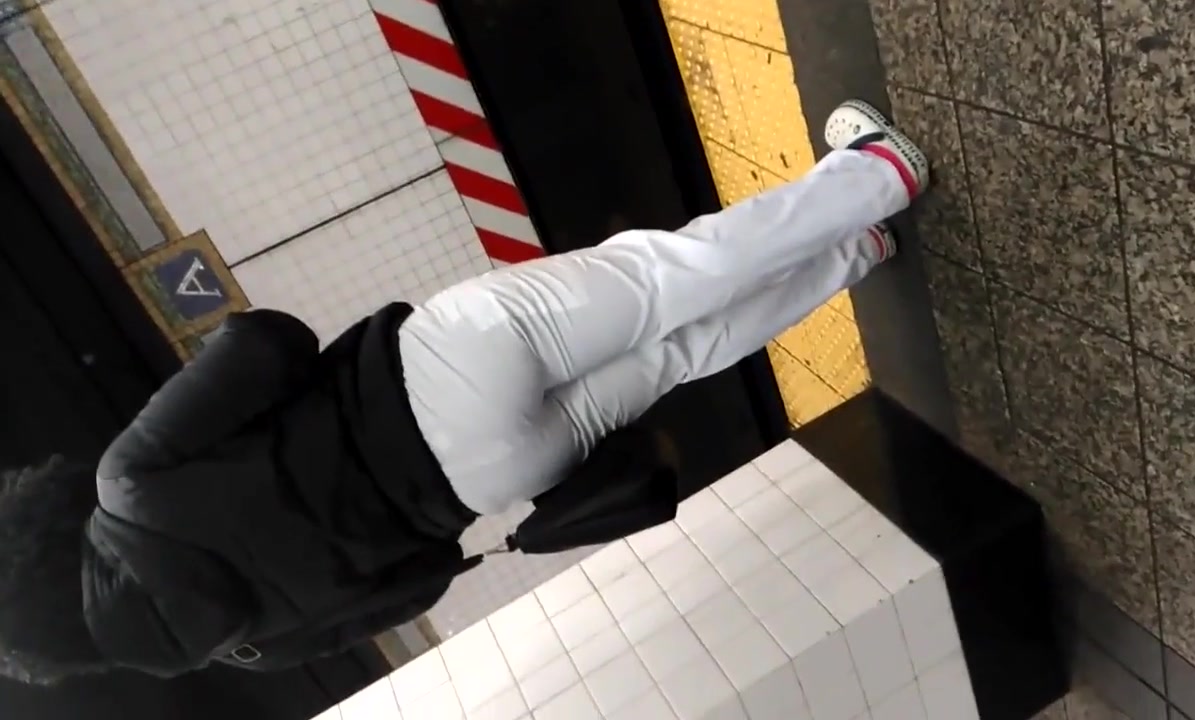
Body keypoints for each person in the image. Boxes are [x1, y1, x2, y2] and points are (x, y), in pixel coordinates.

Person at [0, 100, 928, 683]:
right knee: (664, 278)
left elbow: (409, 594)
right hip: (445, 364)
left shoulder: (237, 648)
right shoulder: (128, 488)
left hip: (485, 480)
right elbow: (270, 343)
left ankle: (858, 249)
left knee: (685, 350)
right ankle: (878, 173)